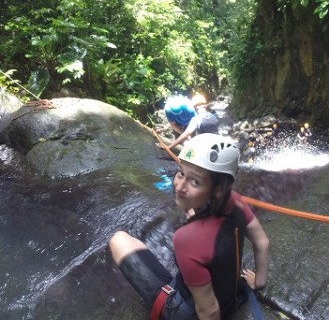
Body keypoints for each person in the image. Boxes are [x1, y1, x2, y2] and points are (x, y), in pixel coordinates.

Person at [109, 133, 270, 320]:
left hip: (192, 312)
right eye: (181, 172)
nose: (179, 186)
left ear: (217, 190)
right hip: (232, 296)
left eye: (195, 181)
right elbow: (262, 243)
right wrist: (258, 282)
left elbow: (209, 312)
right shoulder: (236, 201)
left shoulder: (187, 238)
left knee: (119, 239)